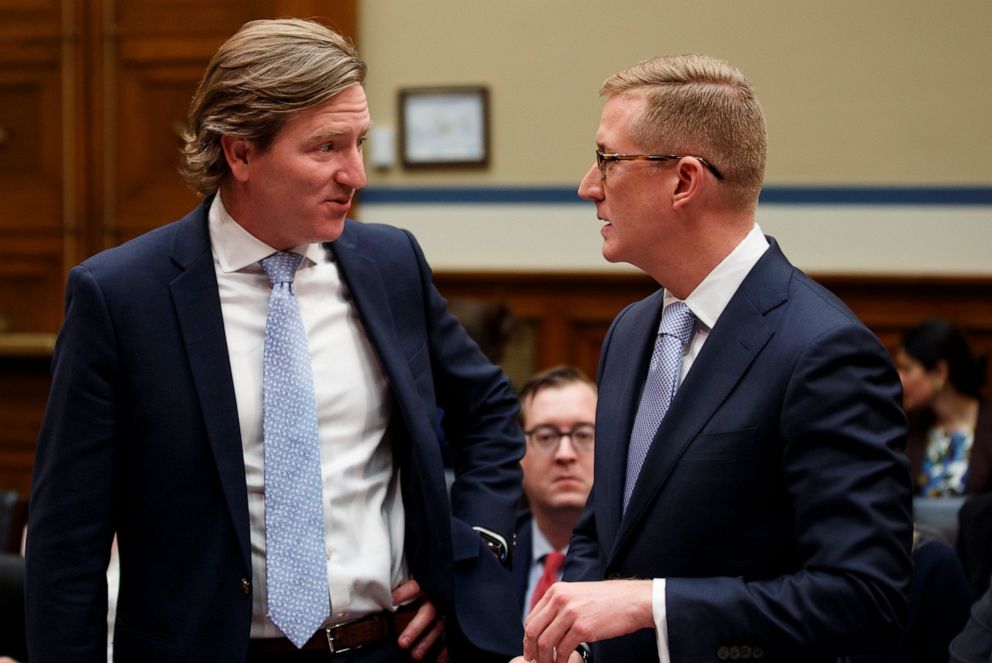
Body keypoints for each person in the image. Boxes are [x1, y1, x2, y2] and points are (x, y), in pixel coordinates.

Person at [26, 18, 525, 663]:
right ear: (240, 153)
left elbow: (488, 412)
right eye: (326, 148)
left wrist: (469, 557)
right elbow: (69, 536)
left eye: (359, 143)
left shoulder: (389, 264)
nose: (357, 174)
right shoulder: (122, 297)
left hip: (385, 647)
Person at [517, 54, 912, 663]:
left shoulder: (824, 349)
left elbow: (863, 598)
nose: (587, 185)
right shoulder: (631, 329)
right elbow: (606, 531)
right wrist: (579, 650)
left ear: (683, 180)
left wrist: (652, 605)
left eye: (606, 160)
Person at [509, 366, 597, 617]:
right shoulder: (490, 556)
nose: (565, 454)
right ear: (518, 454)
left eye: (584, 434)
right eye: (546, 437)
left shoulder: (636, 566)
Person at [895, 319, 992, 497]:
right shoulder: (904, 426)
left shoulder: (987, 425)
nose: (900, 379)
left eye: (906, 369)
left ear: (940, 371)